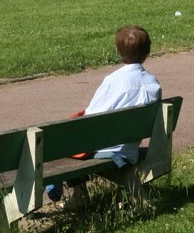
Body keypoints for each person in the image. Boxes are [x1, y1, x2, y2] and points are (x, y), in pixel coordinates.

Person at [45, 25, 162, 204]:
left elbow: (92, 118)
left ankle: (78, 195)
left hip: (108, 149)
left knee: (64, 140)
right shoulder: (153, 83)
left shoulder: (113, 81)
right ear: (147, 52)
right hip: (130, 148)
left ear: (118, 52)